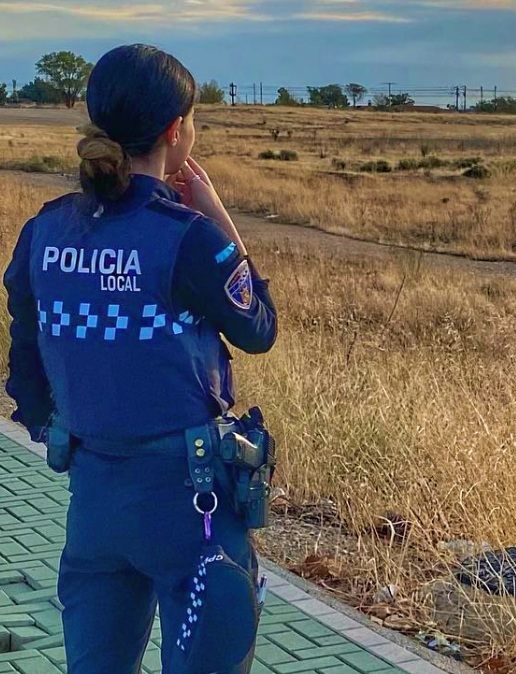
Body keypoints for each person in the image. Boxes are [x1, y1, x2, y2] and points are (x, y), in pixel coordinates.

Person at [3, 44, 277, 674]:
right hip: (192, 507)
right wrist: (218, 218)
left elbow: (26, 353)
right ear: (175, 130)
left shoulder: (45, 230)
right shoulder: (186, 236)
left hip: (94, 500)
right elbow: (259, 328)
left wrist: (62, 431)